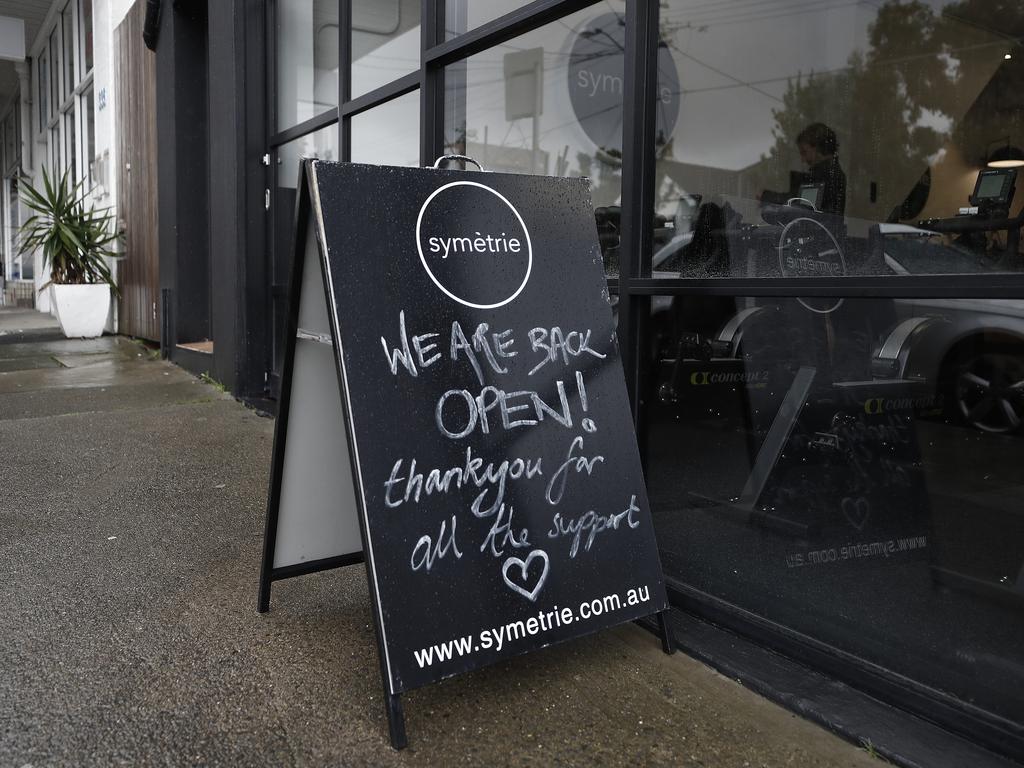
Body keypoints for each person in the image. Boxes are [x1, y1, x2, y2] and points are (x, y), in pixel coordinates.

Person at [760, 122, 847, 218]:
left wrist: (766, 197)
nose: (803, 160)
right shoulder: (828, 175)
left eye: (804, 152)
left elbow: (802, 206)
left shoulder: (826, 177)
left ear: (818, 148)